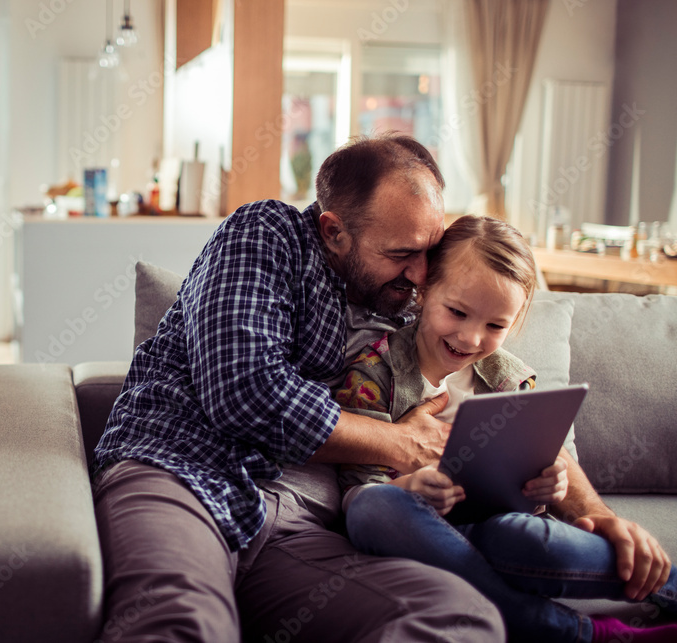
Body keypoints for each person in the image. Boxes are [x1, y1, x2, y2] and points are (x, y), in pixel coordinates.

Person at [91, 134, 506, 642]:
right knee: (182, 626)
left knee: (458, 618)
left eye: (429, 250)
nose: (421, 274)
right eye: (401, 253)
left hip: (295, 529)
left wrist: (595, 515)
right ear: (334, 232)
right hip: (182, 474)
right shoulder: (268, 233)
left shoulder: (416, 304)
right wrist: (399, 441)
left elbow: (512, 393)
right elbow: (244, 391)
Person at [338, 215, 677, 643]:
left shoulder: (514, 381)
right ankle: (581, 632)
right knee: (372, 508)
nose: (470, 337)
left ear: (515, 321)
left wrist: (549, 487)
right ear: (425, 290)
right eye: (457, 312)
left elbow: (535, 488)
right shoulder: (374, 372)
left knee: (523, 536)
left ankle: (676, 590)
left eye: (495, 326)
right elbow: (356, 486)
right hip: (414, 530)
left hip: (495, 529)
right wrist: (408, 486)